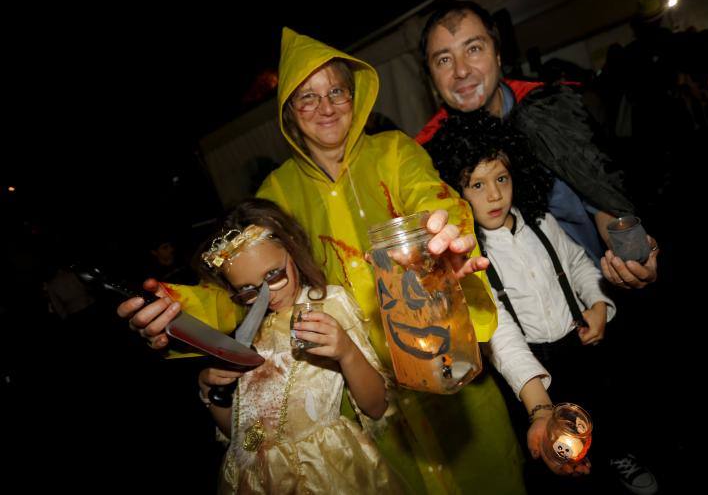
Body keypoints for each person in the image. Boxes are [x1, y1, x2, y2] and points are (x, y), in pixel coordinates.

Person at [119, 27, 528, 494]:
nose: (327, 107)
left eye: (336, 91)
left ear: (355, 97)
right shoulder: (277, 192)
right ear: (289, 115)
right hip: (362, 399)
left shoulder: (394, 151)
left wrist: (448, 233)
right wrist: (174, 311)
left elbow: (434, 199)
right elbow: (239, 292)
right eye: (307, 98)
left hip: (440, 361)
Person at [430, 110, 658, 495]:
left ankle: (619, 453)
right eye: (477, 185)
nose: (495, 194)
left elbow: (578, 264)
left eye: (501, 178)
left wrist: (599, 305)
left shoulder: (541, 222)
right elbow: (500, 332)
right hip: (533, 365)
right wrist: (537, 401)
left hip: (581, 342)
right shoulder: (473, 258)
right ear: (456, 192)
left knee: (608, 409)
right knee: (560, 446)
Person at [416, 1, 660, 289]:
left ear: (497, 55)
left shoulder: (552, 110)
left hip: (598, 290)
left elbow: (600, 194)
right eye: (444, 59)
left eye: (473, 49)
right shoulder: (427, 157)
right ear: (432, 78)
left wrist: (629, 255)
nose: (461, 71)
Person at [194, 199, 401, 493]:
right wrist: (213, 395)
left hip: (326, 471)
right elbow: (244, 437)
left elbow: (376, 406)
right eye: (247, 290)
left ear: (291, 250)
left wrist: (347, 352)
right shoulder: (245, 335)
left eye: (273, 276)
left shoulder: (328, 304)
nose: (267, 295)